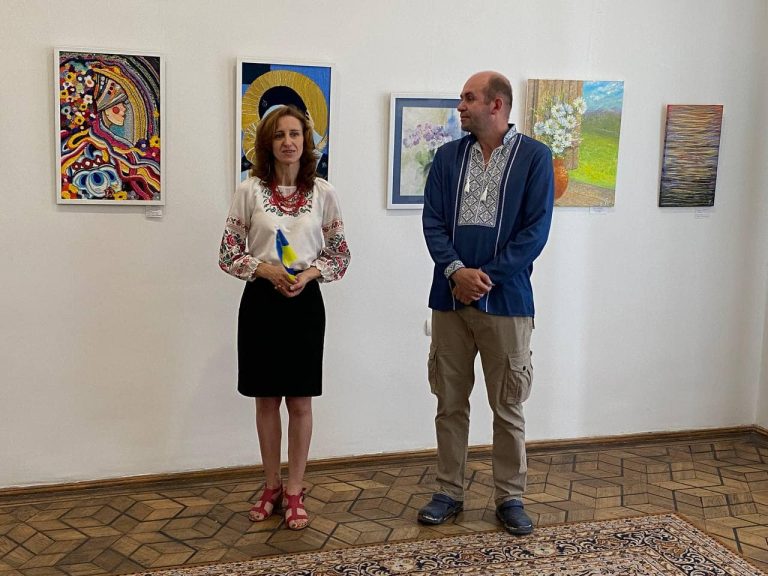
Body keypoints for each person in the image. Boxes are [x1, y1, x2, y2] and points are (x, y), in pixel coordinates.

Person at [419, 71, 554, 535]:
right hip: (449, 299)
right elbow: (432, 222)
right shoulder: (447, 158)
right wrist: (456, 271)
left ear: (496, 105)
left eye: (469, 98)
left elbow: (535, 232)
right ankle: (448, 492)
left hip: (509, 302)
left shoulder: (535, 158)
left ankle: (510, 497)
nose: (460, 106)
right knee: (449, 402)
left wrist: (487, 277)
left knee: (508, 405)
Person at [218, 105, 350, 530]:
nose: (288, 142)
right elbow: (228, 252)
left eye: (295, 134)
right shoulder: (249, 190)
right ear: (267, 143)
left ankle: (295, 490)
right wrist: (266, 270)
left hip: (304, 304)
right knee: (266, 400)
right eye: (279, 135)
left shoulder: (324, 193)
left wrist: (308, 275)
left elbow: (340, 255)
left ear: (306, 141)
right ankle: (271, 485)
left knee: (300, 401)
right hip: (261, 302)